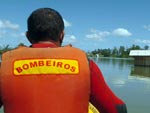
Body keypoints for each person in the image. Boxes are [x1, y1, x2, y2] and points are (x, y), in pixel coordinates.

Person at [0, 8, 127, 113]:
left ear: (28, 36)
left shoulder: (4, 66)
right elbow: (117, 109)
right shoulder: (85, 65)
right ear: (62, 35)